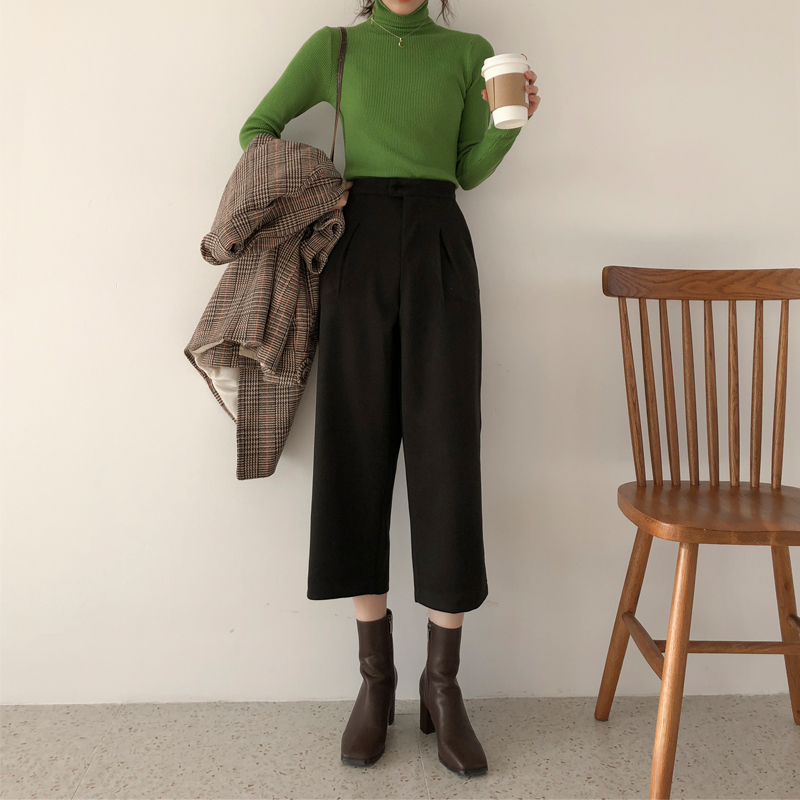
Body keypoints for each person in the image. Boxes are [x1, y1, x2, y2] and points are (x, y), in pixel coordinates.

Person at [239, 0, 540, 777]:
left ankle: (444, 687)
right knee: (354, 447)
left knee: (446, 454)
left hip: (440, 240)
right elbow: (257, 130)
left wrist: (507, 126)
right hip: (357, 243)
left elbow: (466, 170)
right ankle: (377, 681)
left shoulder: (470, 53)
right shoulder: (334, 47)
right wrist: (317, 193)